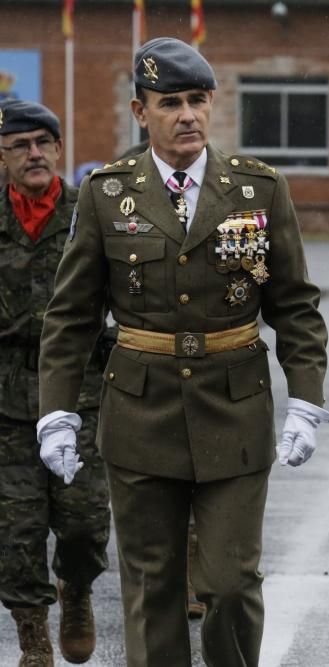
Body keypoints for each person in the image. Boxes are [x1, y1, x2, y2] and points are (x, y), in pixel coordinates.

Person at [35, 37, 329, 666]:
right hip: (141, 412)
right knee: (151, 583)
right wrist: (56, 411)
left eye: (198, 99)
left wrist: (306, 398)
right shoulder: (105, 194)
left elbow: (295, 306)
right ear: (141, 113)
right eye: (171, 103)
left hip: (234, 407)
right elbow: (72, 315)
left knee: (229, 582)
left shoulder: (258, 191)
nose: (188, 114)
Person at [0, 100, 110, 666]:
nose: (35, 153)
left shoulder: (89, 213)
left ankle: (79, 594)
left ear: (60, 150)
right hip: (5, 400)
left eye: (44, 142)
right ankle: (32, 636)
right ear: (3, 156)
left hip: (80, 394)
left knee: (85, 522)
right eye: (21, 145)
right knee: (16, 531)